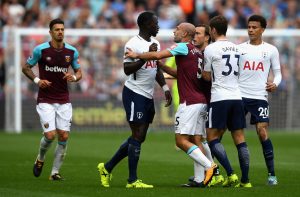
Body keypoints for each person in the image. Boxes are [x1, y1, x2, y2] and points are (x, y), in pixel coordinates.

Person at [126, 22, 217, 187]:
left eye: (177, 29)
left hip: (189, 103)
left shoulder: (183, 47)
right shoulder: (197, 52)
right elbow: (180, 73)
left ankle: (210, 166)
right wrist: (161, 67)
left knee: (181, 141)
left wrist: (137, 54)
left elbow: (157, 55)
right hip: (200, 102)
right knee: (194, 139)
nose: (174, 31)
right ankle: (198, 179)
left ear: (184, 34)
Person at [97, 11, 172, 189]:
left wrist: (165, 88)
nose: (158, 26)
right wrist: (145, 55)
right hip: (133, 92)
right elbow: (127, 69)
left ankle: (107, 168)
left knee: (139, 137)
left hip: (148, 95)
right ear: (146, 25)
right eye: (155, 23)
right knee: (137, 135)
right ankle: (132, 180)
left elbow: (155, 68)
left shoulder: (155, 42)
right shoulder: (132, 43)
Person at [22, 18, 82, 180]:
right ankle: (40, 158)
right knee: (50, 136)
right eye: (57, 29)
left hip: (64, 99)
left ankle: (54, 172)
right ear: (50, 32)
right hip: (45, 99)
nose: (60, 32)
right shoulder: (40, 50)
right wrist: (37, 81)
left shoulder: (71, 52)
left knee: (63, 136)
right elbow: (26, 68)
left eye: (62, 29)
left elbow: (79, 72)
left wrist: (74, 78)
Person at [201, 15, 252, 188]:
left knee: (212, 138)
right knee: (240, 139)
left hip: (219, 98)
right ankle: (246, 181)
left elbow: (207, 76)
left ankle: (231, 173)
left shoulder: (210, 49)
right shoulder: (237, 48)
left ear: (213, 30)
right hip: (237, 97)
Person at [238, 14, 282, 185]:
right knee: (225, 130)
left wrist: (275, 84)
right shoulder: (240, 48)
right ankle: (217, 171)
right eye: (249, 27)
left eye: (254, 27)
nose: (251, 30)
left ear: (262, 29)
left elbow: (278, 74)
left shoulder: (271, 50)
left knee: (262, 132)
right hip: (239, 95)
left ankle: (272, 174)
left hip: (259, 97)